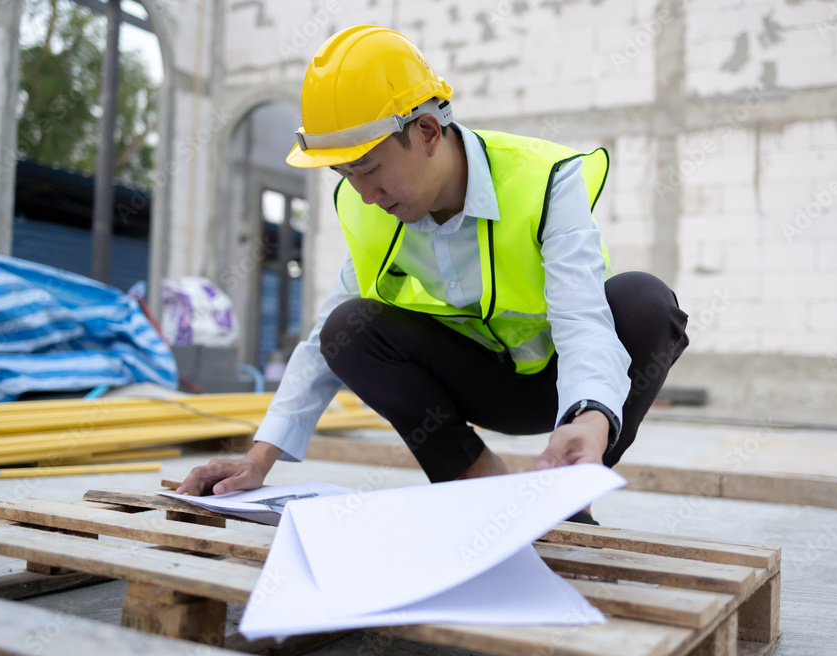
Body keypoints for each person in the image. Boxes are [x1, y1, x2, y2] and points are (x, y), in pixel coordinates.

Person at [176, 25, 689, 524]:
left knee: (647, 303)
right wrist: (257, 458)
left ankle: (572, 490)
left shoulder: (543, 181)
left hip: (563, 387)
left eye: (370, 168)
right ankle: (478, 483)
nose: (365, 195)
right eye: (346, 175)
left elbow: (582, 318)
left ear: (425, 131)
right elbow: (323, 340)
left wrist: (593, 418)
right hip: (481, 387)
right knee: (345, 329)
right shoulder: (374, 212)